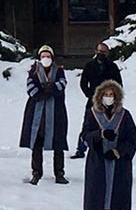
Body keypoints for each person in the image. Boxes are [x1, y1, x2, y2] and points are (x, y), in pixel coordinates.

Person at [84, 79, 136, 210]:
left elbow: (133, 140)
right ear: (100, 97)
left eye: (112, 95)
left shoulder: (125, 115)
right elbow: (84, 135)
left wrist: (119, 152)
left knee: (117, 202)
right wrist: (99, 134)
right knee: (99, 201)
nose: (109, 97)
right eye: (106, 95)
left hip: (119, 164)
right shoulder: (92, 114)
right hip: (98, 162)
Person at [20, 45, 71, 185]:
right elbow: (30, 86)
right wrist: (40, 93)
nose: (46, 59)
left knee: (58, 143)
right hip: (37, 112)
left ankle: (59, 173)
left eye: (48, 56)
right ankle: (36, 172)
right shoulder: (34, 70)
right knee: (36, 143)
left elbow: (62, 84)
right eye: (43, 56)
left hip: (56, 113)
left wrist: (51, 88)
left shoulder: (59, 70)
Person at [73, 42, 121, 158]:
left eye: (103, 52)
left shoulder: (112, 67)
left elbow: (118, 84)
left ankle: (112, 147)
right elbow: (83, 82)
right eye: (99, 52)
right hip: (93, 101)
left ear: (107, 53)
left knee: (111, 124)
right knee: (87, 125)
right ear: (95, 52)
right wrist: (89, 94)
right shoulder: (89, 65)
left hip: (109, 101)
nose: (101, 54)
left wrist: (114, 98)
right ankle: (81, 149)